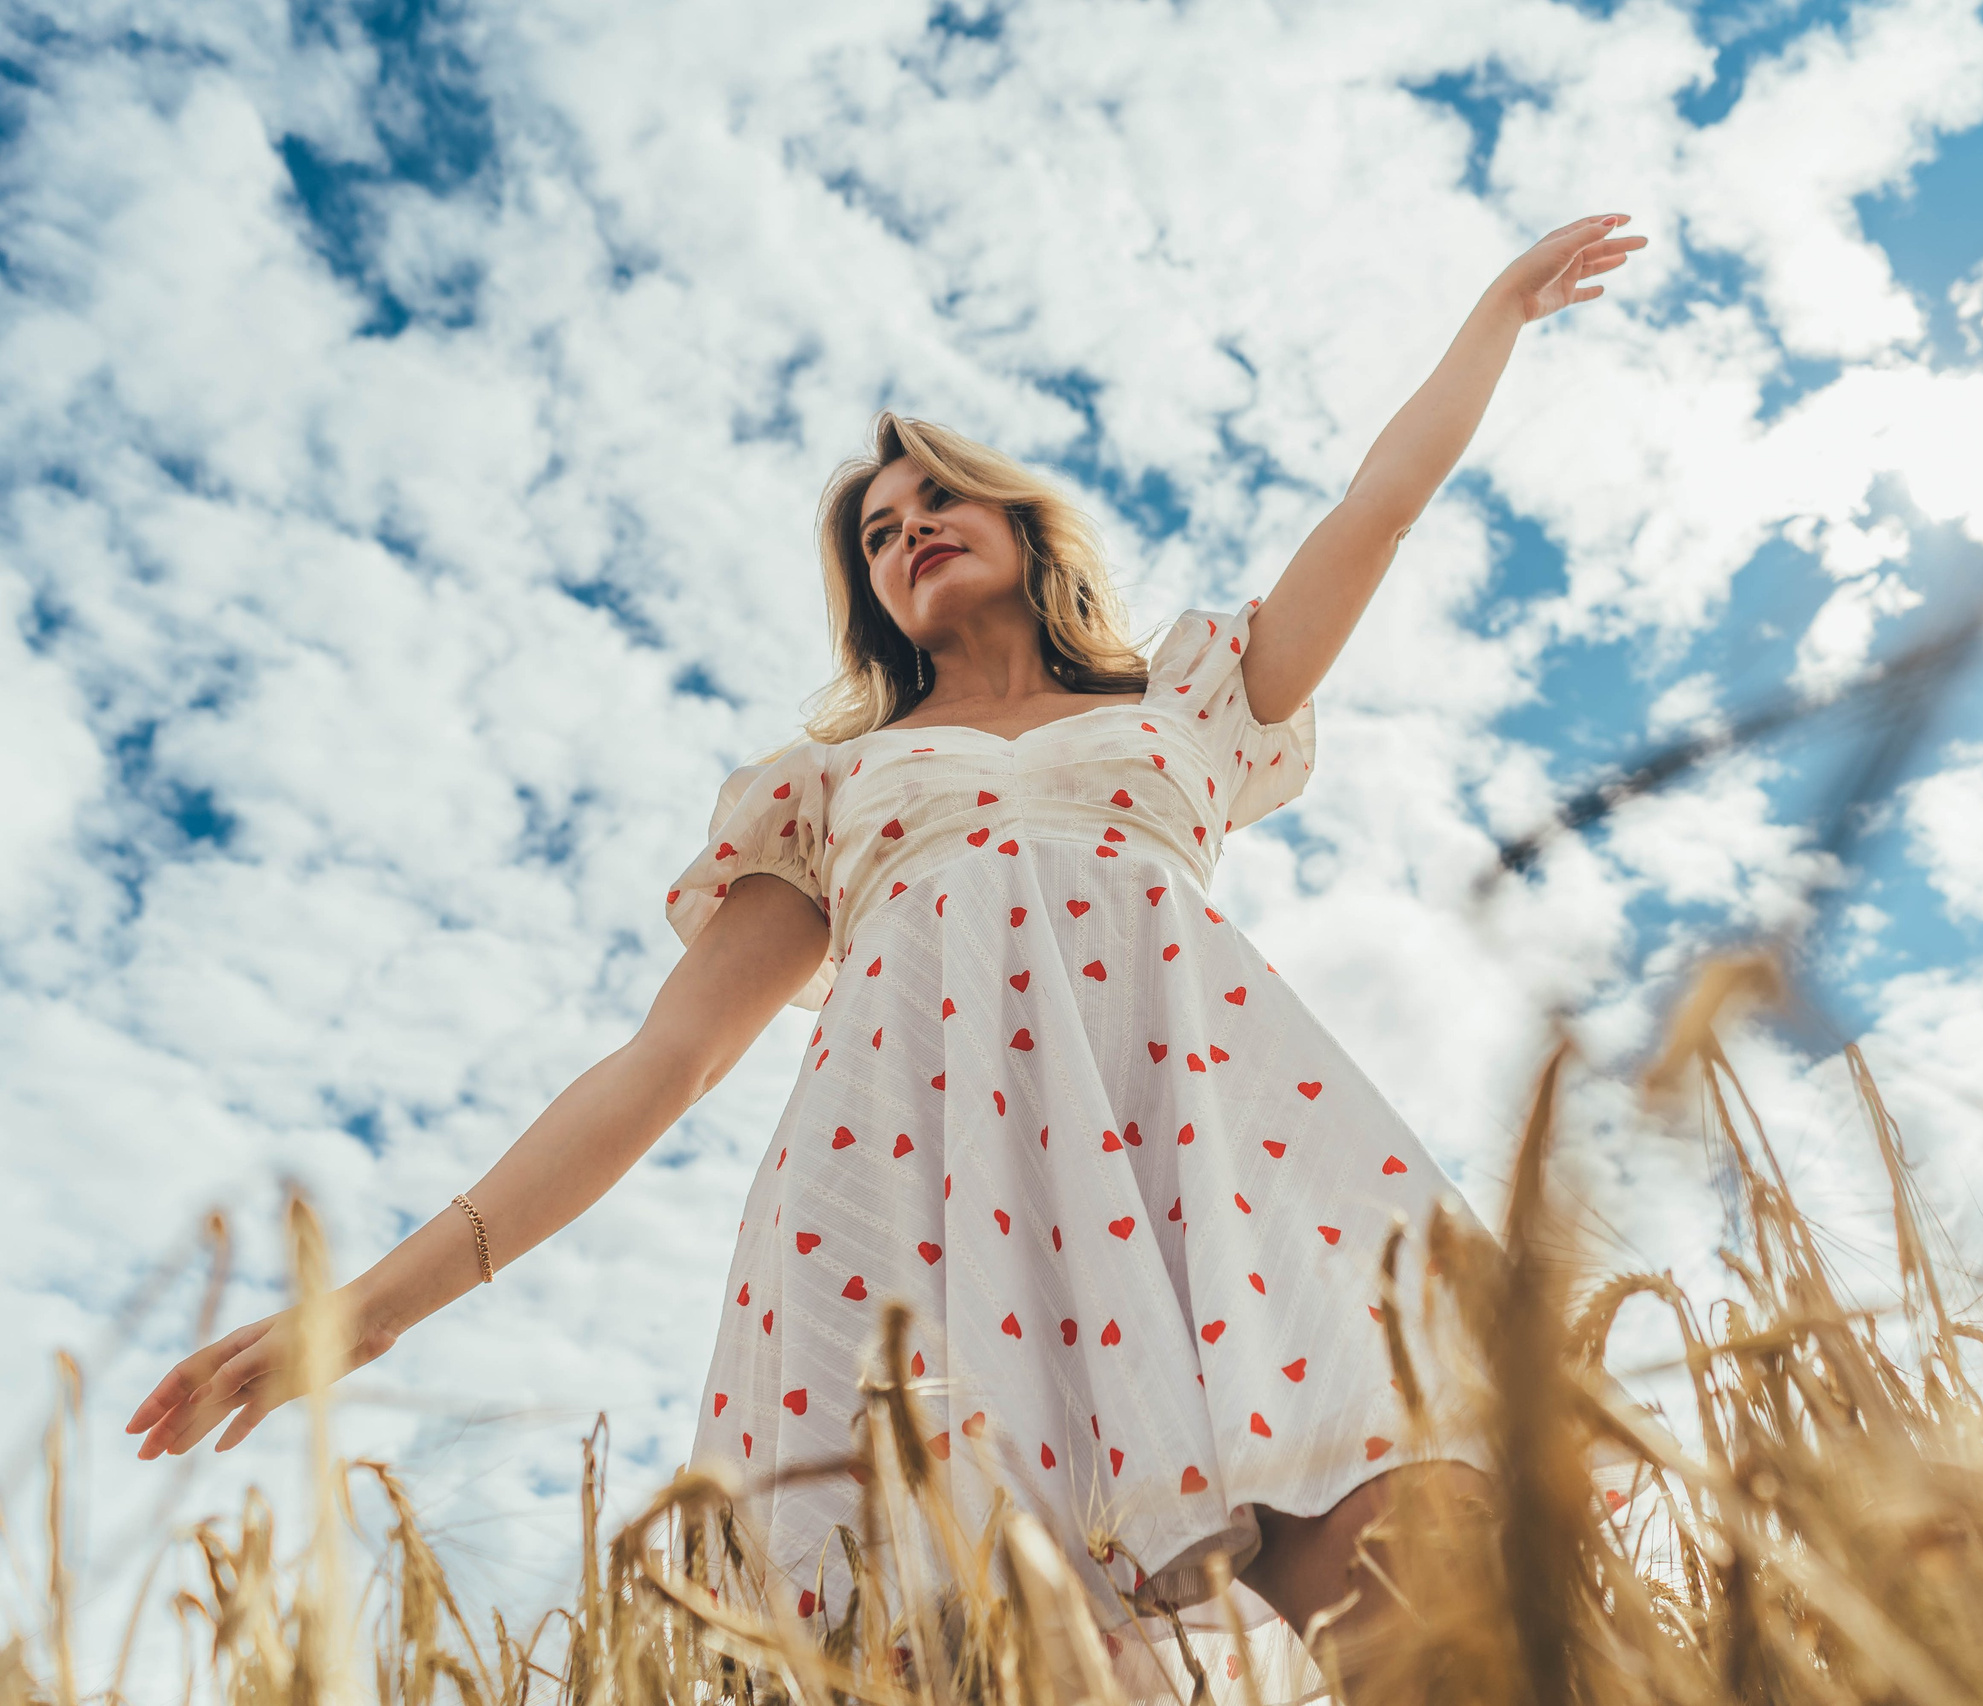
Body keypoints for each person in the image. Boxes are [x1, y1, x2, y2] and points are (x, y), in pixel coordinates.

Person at [125, 212, 1646, 1697]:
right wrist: (369, 1305)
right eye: (878, 524)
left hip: (1217, 1158)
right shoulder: (828, 790)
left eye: (940, 496)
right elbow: (668, 1060)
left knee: (1434, 1582)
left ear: (1020, 521)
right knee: (978, 1647)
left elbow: (1374, 507)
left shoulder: (1188, 698)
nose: (909, 522)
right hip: (923, 1214)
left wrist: (1495, 317)